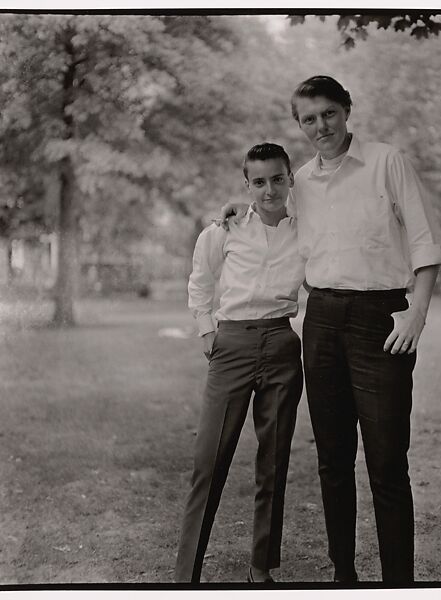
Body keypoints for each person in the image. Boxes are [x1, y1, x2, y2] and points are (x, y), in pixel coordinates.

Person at [220, 75, 441, 585]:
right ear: (298, 125)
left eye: (328, 113)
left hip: (381, 321)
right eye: (308, 118)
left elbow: (425, 243)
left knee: (387, 462)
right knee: (332, 460)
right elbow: (273, 210)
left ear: (347, 109)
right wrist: (240, 207)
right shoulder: (299, 181)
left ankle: (398, 583)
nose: (320, 126)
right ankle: (344, 578)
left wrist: (417, 312)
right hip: (321, 322)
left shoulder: (388, 162)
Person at [174, 143, 305, 584]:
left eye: (278, 179)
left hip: (283, 345)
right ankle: (186, 576)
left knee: (274, 462)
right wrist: (208, 331)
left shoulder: (305, 230)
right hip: (232, 342)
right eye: (259, 181)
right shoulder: (224, 230)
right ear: (246, 184)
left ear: (290, 179)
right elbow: (201, 280)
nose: (270, 189)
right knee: (209, 462)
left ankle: (262, 570)